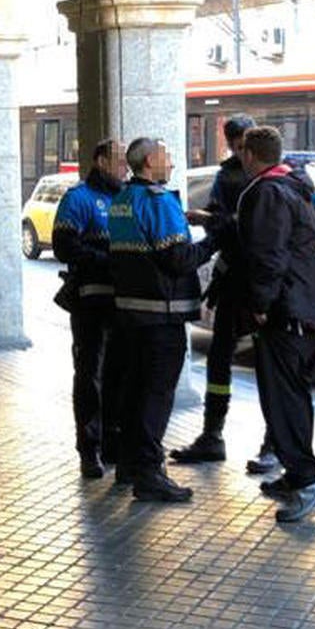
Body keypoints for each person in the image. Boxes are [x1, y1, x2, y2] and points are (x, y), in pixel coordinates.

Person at [233, 126, 315, 522]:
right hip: (310, 309)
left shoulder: (265, 193)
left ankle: (308, 482)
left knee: (283, 399)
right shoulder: (296, 185)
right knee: (295, 394)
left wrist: (260, 305)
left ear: (249, 155)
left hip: (287, 313)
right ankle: (296, 476)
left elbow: (268, 256)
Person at [108, 138, 217, 502]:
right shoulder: (159, 201)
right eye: (168, 156)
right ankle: (150, 473)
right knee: (156, 394)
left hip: (130, 313)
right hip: (162, 314)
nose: (172, 162)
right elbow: (178, 259)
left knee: (134, 391)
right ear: (151, 160)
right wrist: (215, 240)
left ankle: (129, 464)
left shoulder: (123, 200)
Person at [170, 114, 255, 466]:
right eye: (235, 146)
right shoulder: (227, 175)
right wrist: (211, 225)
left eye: (244, 145)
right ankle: (212, 433)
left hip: (265, 279)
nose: (241, 152)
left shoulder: (284, 175)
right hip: (235, 276)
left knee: (270, 365)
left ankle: (273, 443)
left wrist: (213, 221)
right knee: (219, 357)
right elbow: (222, 226)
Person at [53, 139, 127, 478]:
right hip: (91, 301)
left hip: (124, 303)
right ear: (100, 161)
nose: (124, 167)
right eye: (119, 161)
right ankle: (89, 449)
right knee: (90, 376)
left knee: (117, 374)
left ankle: (114, 442)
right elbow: (64, 244)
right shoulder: (78, 199)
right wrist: (105, 260)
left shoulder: (127, 197)